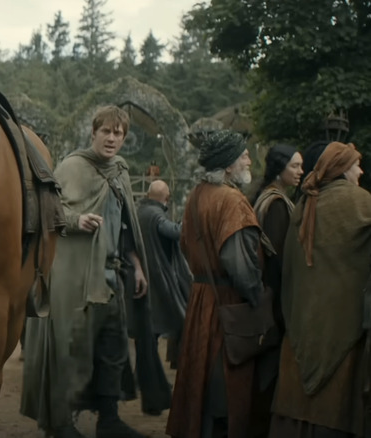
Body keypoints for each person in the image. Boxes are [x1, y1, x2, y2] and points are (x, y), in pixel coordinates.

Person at [21, 105, 150, 438]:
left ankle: (109, 420)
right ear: (93, 133)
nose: (111, 138)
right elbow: (49, 212)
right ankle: (62, 423)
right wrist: (77, 220)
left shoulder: (120, 172)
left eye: (118, 133)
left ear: (124, 138)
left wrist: (137, 266)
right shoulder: (72, 167)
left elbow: (126, 226)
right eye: (105, 131)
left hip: (110, 277)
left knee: (113, 350)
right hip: (75, 278)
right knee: (69, 350)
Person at [166, 130, 269, 438]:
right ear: (227, 166)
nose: (249, 160)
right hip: (226, 301)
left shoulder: (197, 194)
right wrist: (256, 299)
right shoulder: (231, 200)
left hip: (201, 298)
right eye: (243, 156)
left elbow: (185, 245)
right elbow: (240, 264)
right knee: (225, 384)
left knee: (202, 379)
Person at [269, 141, 369, 438]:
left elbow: (290, 271)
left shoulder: (304, 203)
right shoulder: (361, 202)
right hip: (343, 332)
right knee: (332, 411)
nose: (361, 172)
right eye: (356, 166)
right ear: (342, 169)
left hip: (301, 328)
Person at [250, 144, 303, 424]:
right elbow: (278, 259)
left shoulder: (267, 197)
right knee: (270, 370)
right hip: (273, 297)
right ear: (279, 169)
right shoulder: (277, 205)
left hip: (266, 293)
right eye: (294, 166)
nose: (300, 171)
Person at [137, 180, 191, 370]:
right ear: (166, 198)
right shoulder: (155, 214)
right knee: (162, 324)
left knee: (148, 332)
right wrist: (188, 221)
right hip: (155, 278)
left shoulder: (140, 211)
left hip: (143, 275)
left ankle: (146, 375)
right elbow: (174, 232)